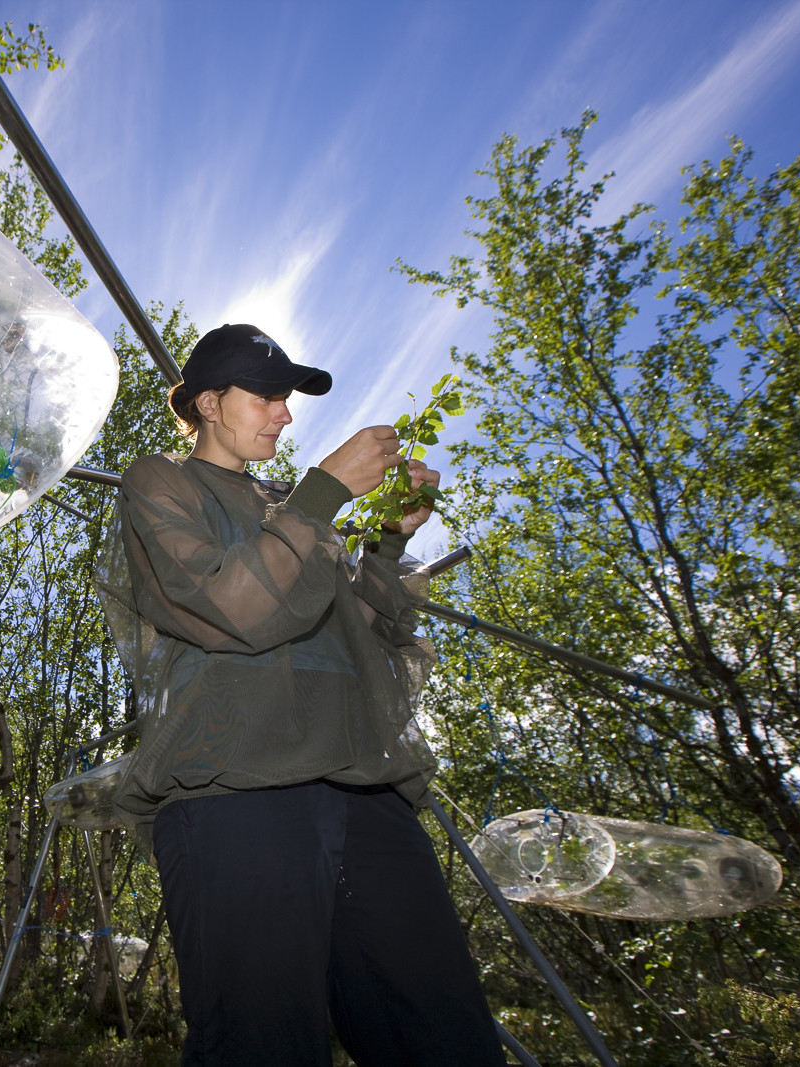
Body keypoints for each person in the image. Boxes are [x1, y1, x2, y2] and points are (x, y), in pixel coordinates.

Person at [95, 324, 504, 1066]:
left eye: (289, 399)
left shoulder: (293, 508)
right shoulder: (162, 482)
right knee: (261, 1041)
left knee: (444, 1033)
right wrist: (324, 493)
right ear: (210, 402)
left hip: (365, 791)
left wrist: (385, 538)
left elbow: (358, 635)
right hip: (236, 790)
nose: (285, 414)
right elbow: (232, 606)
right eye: (269, 396)